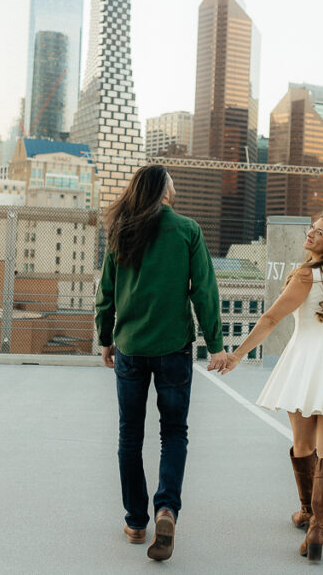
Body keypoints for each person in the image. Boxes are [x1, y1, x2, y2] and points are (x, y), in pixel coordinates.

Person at [212, 214, 323, 563]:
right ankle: (317, 526)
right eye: (311, 228)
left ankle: (307, 513)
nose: (310, 233)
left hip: (304, 364)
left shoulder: (306, 276)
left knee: (303, 444)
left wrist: (238, 355)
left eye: (318, 232)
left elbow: (271, 318)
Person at [96, 164, 227, 562]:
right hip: (173, 347)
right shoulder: (187, 229)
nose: (176, 186)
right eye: (171, 181)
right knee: (174, 432)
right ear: (162, 190)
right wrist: (217, 344)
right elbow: (204, 290)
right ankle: (166, 509)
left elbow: (106, 292)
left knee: (129, 436)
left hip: (131, 347)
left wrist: (105, 338)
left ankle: (137, 523)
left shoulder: (121, 230)